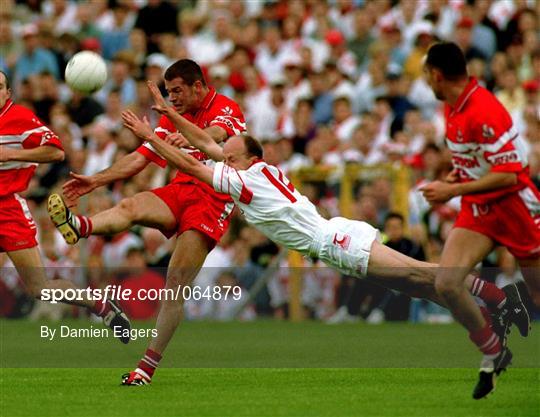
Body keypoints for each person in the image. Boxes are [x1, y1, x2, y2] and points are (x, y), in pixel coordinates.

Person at [103, 80, 525, 387]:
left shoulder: (244, 180)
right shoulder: (253, 168)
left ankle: (502, 299)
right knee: (421, 284)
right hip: (335, 241)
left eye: (230, 153)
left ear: (247, 156)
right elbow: (204, 146)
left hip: (336, 242)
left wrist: (148, 136)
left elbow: (195, 163)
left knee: (423, 275)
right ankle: (493, 315)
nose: (222, 154)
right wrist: (169, 112)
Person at [48, 59, 246, 385]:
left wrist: (176, 128)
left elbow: (214, 135)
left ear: (199, 86)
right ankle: (80, 226)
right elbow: (140, 158)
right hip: (182, 187)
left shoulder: (225, 107)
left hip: (213, 198)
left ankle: (146, 367)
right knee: (131, 204)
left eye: (178, 91)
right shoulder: (171, 117)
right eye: (169, 93)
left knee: (175, 283)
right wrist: (95, 181)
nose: (173, 98)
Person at [420, 42, 539, 399]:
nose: (426, 80)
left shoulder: (484, 110)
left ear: (438, 75)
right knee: (447, 283)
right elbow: (475, 160)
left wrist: (452, 192)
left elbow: (510, 175)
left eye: (427, 74)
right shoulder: (450, 106)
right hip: (480, 206)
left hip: (514, 206)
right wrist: (458, 179)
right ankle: (493, 350)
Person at [0, 70, 130, 341]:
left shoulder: (19, 117)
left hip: (7, 211)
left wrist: (13, 153)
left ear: (8, 93)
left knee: (40, 288)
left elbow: (57, 151)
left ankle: (100, 305)